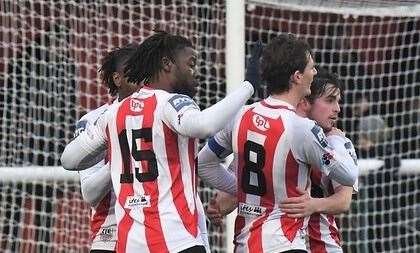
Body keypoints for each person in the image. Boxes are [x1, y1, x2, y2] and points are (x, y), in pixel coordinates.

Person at [61, 31, 262, 253]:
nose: (195, 73)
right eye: (190, 64)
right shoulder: (172, 103)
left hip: (130, 244)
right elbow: (205, 126)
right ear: (167, 64)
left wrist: (117, 155)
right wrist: (248, 86)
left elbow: (69, 160)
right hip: (177, 241)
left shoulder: (112, 114)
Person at [197, 34, 358, 253]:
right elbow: (348, 174)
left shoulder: (241, 116)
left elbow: (204, 163)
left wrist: (245, 194)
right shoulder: (302, 128)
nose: (315, 72)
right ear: (297, 76)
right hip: (285, 243)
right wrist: (339, 140)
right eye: (312, 67)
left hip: (244, 244)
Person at [74, 44, 138, 253]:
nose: (143, 79)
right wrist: (120, 159)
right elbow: (90, 193)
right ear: (117, 78)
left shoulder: (163, 113)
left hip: (156, 232)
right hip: (110, 235)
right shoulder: (93, 121)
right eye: (135, 71)